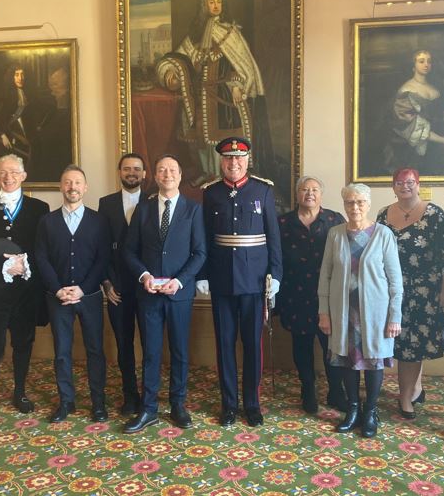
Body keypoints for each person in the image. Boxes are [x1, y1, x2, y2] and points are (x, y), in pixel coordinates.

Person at [196, 137, 282, 427]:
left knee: (252, 345)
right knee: (224, 344)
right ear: (221, 161)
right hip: (221, 281)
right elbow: (205, 239)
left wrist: (277, 275)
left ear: (248, 161)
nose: (234, 163)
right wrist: (203, 275)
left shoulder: (263, 190)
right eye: (228, 158)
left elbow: (273, 239)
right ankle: (229, 404)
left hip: (255, 281)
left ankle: (252, 404)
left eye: (239, 159)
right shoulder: (211, 193)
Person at [122, 155, 206, 433]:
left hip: (179, 294)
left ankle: (178, 404)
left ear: (180, 175)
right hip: (149, 294)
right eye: (162, 170)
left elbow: (200, 253)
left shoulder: (193, 210)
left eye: (172, 169)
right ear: (155, 177)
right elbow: (129, 251)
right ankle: (148, 409)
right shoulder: (143, 210)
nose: (167, 174)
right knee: (151, 353)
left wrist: (180, 281)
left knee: (180, 351)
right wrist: (144, 276)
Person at [156, 0, 273, 186]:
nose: (216, 6)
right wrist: (170, 73)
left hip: (226, 94)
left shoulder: (230, 33)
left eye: (219, 2)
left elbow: (242, 64)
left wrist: (237, 84)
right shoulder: (195, 35)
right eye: (211, 2)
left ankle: (226, 176)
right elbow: (178, 57)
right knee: (202, 137)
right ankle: (207, 172)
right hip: (202, 95)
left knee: (227, 136)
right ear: (204, 5)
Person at [0, 154, 50, 431]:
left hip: (26, 291)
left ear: (23, 176)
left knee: (23, 344)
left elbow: (42, 246)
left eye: (14, 172)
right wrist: (6, 264)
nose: (8, 177)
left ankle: (20, 392)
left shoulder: (40, 208)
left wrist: (23, 264)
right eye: (3, 172)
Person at [318, 183, 403, 437]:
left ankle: (371, 412)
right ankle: (352, 409)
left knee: (373, 362)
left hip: (375, 313)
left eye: (360, 203)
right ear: (344, 205)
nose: (354, 207)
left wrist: (394, 316)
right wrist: (324, 311)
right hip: (343, 311)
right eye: (349, 203)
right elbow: (326, 275)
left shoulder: (383, 234)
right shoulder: (335, 234)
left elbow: (395, 280)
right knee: (347, 360)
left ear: (368, 204)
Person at [35, 165, 110, 423]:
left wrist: (84, 288)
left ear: (85, 187)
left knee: (95, 351)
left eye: (77, 182)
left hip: (88, 297)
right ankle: (66, 401)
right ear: (61, 187)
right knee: (62, 352)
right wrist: (58, 289)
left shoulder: (99, 220)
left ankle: (98, 403)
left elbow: (103, 259)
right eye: (68, 182)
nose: (73, 187)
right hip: (58, 299)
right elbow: (41, 258)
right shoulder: (47, 221)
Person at [377, 168, 444, 419]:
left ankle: (406, 397)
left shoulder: (435, 214)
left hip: (425, 291)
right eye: (399, 182)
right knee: (399, 344)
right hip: (391, 290)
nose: (405, 186)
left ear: (418, 184)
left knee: (413, 347)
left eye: (410, 182)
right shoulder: (383, 214)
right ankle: (415, 389)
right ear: (393, 186)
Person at [277, 176, 347, 414]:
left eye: (314, 189)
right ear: (297, 194)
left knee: (331, 345)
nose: (309, 193)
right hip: (295, 293)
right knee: (302, 344)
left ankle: (336, 390)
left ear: (321, 194)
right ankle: (308, 388)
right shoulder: (283, 222)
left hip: (328, 294)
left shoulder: (334, 220)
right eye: (304, 189)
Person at [98, 153, 147, 415]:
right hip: (117, 288)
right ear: (119, 172)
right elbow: (102, 247)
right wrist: (106, 283)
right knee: (124, 344)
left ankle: (149, 396)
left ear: (144, 174)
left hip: (148, 288)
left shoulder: (154, 201)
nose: (132, 173)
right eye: (127, 168)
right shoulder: (105, 204)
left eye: (137, 169)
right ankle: (130, 395)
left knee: (150, 344)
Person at [385, 50, 444, 175]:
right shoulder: (406, 90)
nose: (426, 64)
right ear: (413, 66)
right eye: (421, 61)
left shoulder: (435, 88)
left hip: (437, 138)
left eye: (429, 61)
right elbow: (414, 128)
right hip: (414, 147)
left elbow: (439, 112)